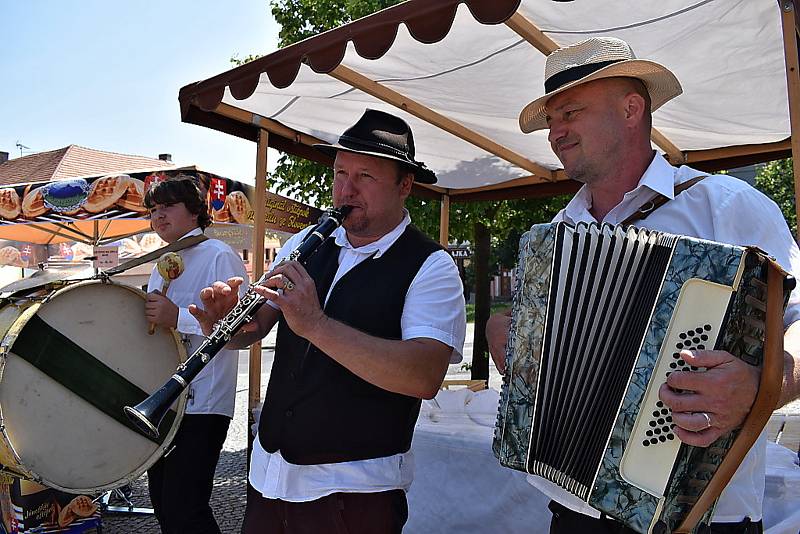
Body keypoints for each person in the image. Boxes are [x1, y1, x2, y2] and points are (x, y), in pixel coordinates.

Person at [487, 36, 800, 534]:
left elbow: (799, 318)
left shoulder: (725, 204)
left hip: (701, 519)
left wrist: (766, 384)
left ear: (631, 108)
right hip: (574, 513)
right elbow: (523, 329)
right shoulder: (556, 236)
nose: (556, 133)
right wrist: (501, 329)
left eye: (569, 113)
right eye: (552, 121)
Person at [190, 109, 467, 534]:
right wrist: (222, 324)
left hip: (353, 496)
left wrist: (316, 325)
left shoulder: (431, 266)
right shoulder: (307, 241)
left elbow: (424, 375)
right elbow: (256, 325)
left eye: (365, 176)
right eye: (340, 173)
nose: (345, 189)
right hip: (269, 479)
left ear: (405, 186)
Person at [143, 176, 248, 534]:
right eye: (153, 210)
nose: (158, 216)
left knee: (185, 506)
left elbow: (241, 324)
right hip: (166, 401)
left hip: (204, 402)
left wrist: (178, 316)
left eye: (167, 207)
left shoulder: (219, 255)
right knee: (161, 500)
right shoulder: (161, 266)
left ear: (195, 211)